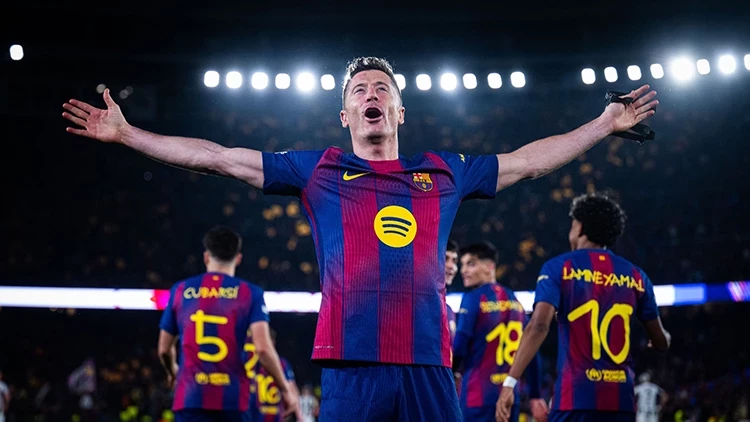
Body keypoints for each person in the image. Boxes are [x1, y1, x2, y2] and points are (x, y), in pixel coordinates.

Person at [63, 56, 658, 421]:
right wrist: (131, 135)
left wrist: (604, 123)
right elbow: (216, 156)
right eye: (359, 91)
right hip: (350, 365)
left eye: (382, 90)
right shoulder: (316, 169)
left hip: (427, 363)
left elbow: (528, 162)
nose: (371, 95)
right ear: (345, 117)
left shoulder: (444, 172)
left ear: (400, 112)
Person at [496, 193, 671, 422]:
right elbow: (660, 341)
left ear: (579, 228)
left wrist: (510, 382)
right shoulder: (637, 276)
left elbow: (538, 326)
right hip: (621, 402)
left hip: (574, 399)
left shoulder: (559, 267)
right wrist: (662, 339)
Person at [157, 226, 298, 421]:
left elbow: (164, 349)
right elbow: (263, 349)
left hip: (190, 397)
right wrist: (285, 389)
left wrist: (172, 370)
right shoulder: (250, 293)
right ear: (238, 258)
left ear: (206, 257)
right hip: (233, 400)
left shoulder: (181, 290)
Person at [453, 241, 547, 422]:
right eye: (462, 265)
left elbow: (459, 347)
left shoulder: (473, 299)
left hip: (477, 397)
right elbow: (532, 352)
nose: (464, 270)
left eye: (471, 264)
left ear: (490, 267)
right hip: (510, 397)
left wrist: (449, 375)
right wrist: (535, 394)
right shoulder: (515, 302)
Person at [244, 329, 301, 422]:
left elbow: (292, 388)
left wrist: (299, 415)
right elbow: (291, 389)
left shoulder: (282, 363)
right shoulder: (281, 364)